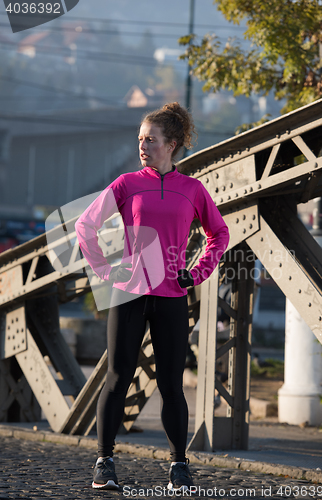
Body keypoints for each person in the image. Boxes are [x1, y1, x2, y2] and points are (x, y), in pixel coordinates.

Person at [75, 102, 230, 493]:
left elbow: (219, 235)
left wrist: (196, 272)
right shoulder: (127, 184)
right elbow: (85, 224)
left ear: (172, 144)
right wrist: (107, 270)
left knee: (172, 384)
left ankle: (179, 468)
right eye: (140, 139)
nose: (143, 145)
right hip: (129, 294)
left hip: (172, 296)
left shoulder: (192, 190)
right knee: (117, 377)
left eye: (151, 140)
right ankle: (104, 462)